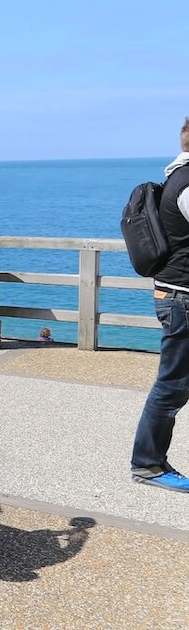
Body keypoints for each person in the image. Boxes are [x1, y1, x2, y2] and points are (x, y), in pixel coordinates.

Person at [131, 119, 189, 493]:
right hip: (182, 299)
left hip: (177, 295)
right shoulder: (186, 184)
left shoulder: (178, 178)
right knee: (172, 386)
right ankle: (148, 464)